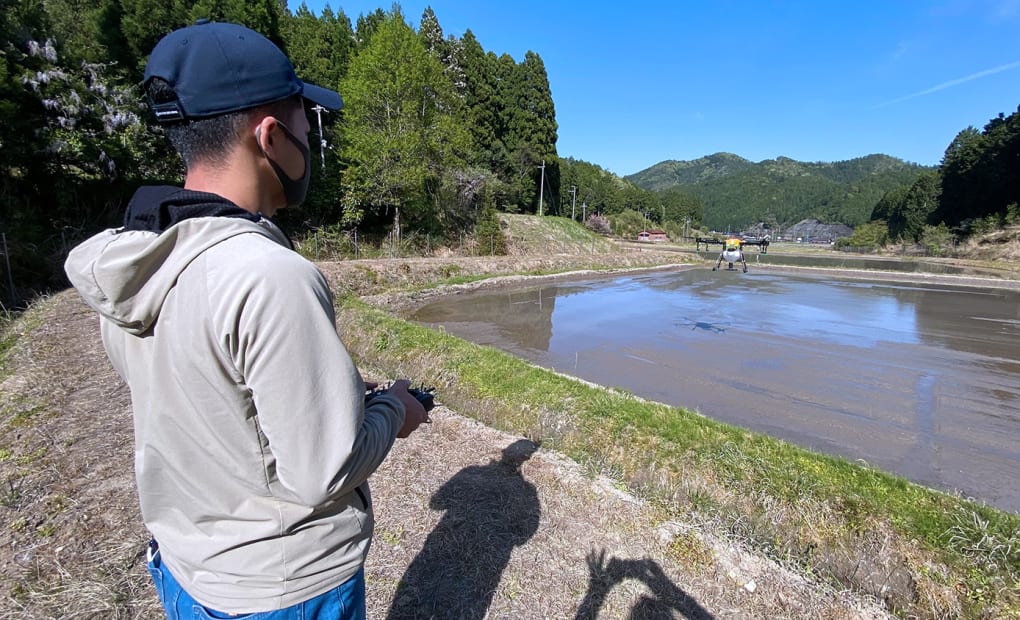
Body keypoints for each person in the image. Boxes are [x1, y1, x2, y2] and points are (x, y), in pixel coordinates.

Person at [64, 20, 428, 619]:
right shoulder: (270, 276)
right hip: (282, 588)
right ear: (271, 136)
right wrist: (394, 410)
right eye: (306, 123)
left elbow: (208, 402)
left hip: (188, 570)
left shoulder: (132, 263)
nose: (312, 141)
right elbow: (323, 472)